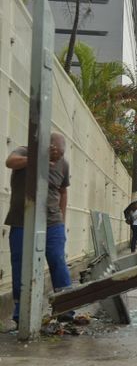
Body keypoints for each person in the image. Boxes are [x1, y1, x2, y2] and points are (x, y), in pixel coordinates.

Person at [5, 133, 74, 326]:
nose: (58, 157)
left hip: (52, 222)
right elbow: (10, 162)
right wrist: (38, 159)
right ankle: (21, 312)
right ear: (47, 147)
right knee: (20, 264)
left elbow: (63, 190)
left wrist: (62, 218)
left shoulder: (64, 164)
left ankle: (66, 307)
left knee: (57, 260)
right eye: (55, 153)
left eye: (61, 154)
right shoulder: (24, 151)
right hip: (21, 221)